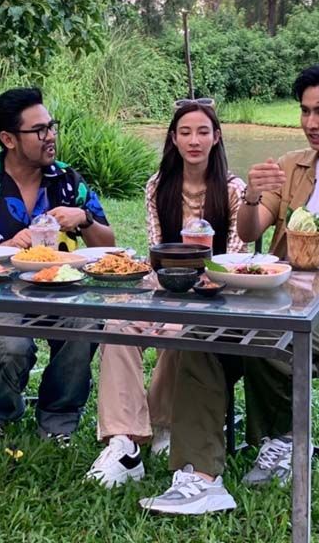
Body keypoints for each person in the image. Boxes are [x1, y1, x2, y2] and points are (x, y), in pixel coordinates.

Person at [141, 62, 319, 514]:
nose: (311, 123)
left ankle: (285, 439)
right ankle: (200, 477)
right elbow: (251, 229)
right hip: (277, 300)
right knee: (201, 332)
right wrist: (252, 196)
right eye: (305, 111)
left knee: (271, 332)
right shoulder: (292, 166)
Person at [86, 100, 246, 488]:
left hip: (218, 294)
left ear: (216, 137)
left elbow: (236, 257)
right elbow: (156, 250)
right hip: (165, 286)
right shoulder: (159, 186)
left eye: (203, 132)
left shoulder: (233, 189)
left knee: (181, 329)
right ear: (173, 139)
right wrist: (165, 294)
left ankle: (164, 424)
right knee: (119, 324)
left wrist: (198, 289)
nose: (194, 140)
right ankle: (124, 441)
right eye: (185, 132)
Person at [0, 87, 116, 448]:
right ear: (8, 139)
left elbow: (108, 245)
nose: (51, 136)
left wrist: (85, 218)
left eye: (51, 126)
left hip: (64, 289)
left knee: (87, 323)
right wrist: (10, 247)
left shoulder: (67, 180)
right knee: (11, 346)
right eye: (39, 130)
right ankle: (0, 412)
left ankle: (58, 416)